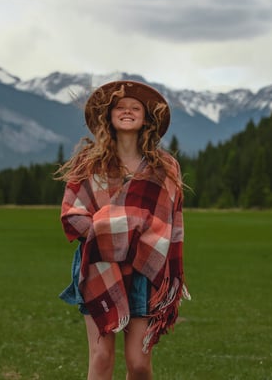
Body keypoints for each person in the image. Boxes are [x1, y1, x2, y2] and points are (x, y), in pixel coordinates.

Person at [56, 80, 190, 380]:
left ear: (146, 118)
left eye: (135, 108)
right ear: (108, 116)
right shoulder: (88, 163)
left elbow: (170, 223)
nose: (127, 111)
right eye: (120, 107)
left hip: (145, 266)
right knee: (102, 358)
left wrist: (124, 230)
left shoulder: (165, 166)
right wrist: (112, 231)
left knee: (139, 364)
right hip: (98, 264)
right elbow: (72, 213)